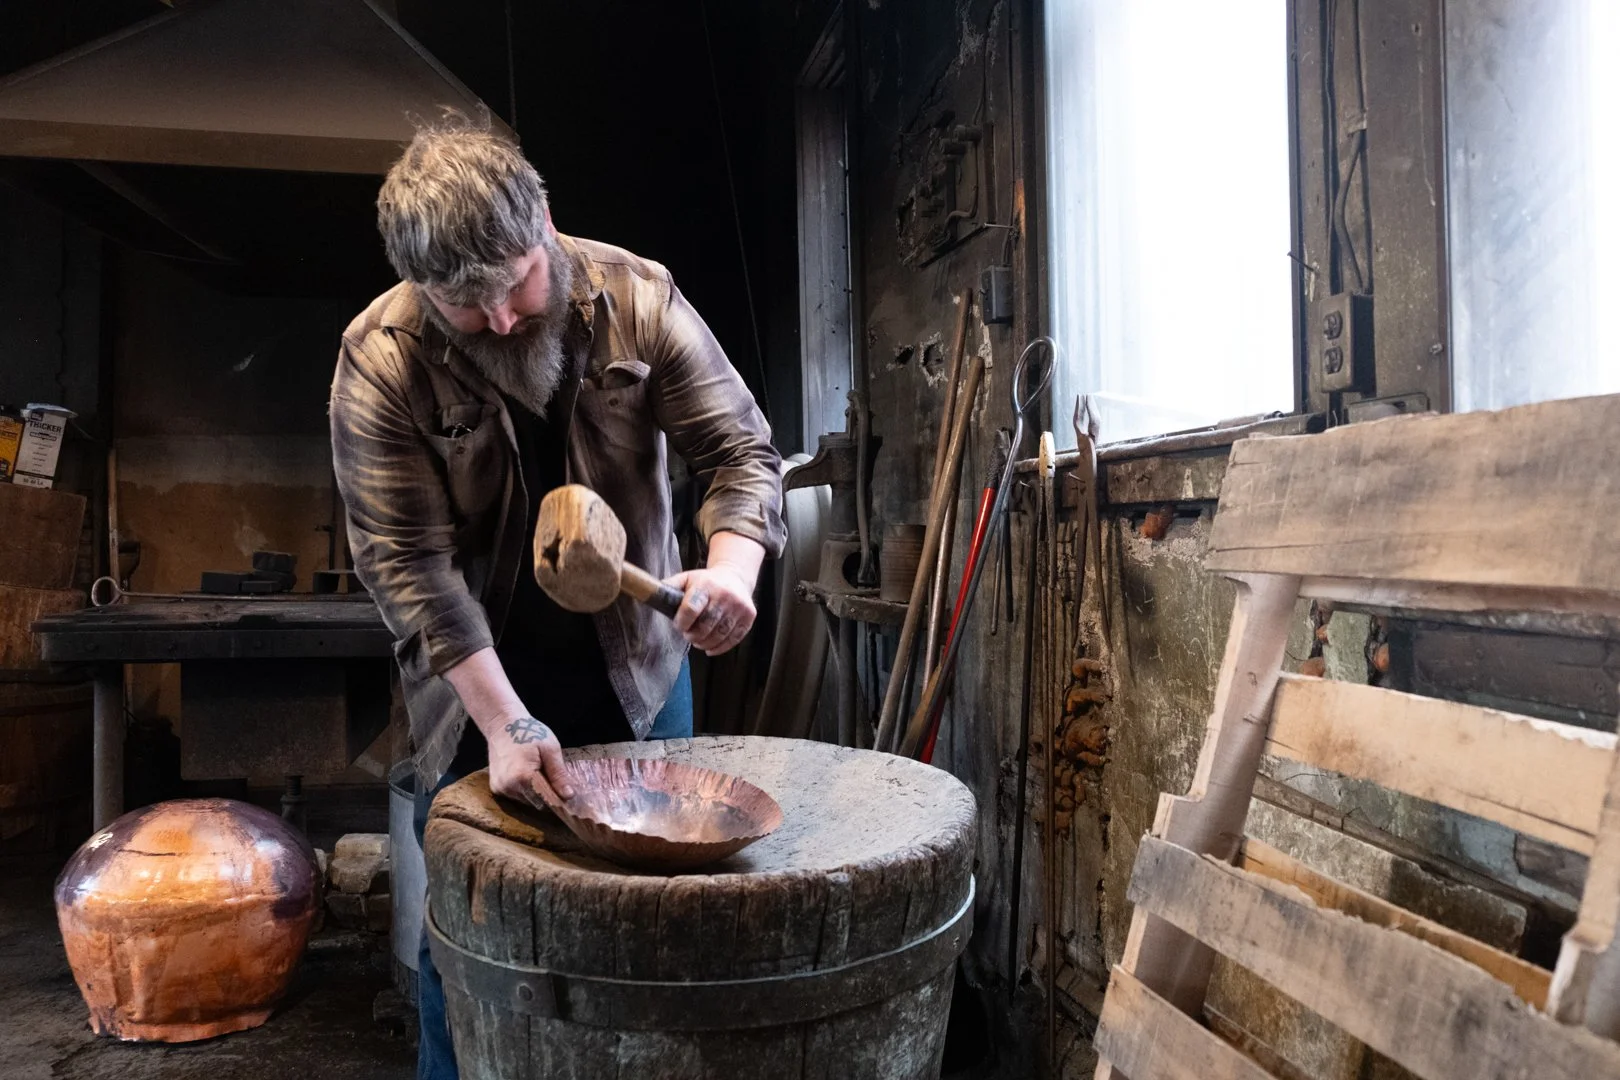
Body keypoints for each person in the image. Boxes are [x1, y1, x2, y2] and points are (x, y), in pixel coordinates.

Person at [329, 122, 784, 1079]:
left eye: (515, 284)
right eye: (465, 303)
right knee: (469, 951)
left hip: (638, 679)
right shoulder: (381, 358)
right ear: (421, 286)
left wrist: (731, 573)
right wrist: (505, 722)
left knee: (651, 942)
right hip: (475, 698)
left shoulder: (637, 297)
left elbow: (741, 453)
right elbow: (409, 564)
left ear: (543, 219)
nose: (498, 320)